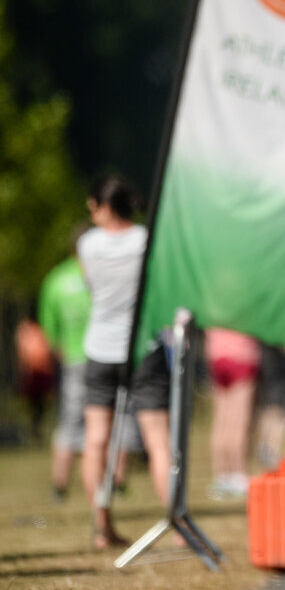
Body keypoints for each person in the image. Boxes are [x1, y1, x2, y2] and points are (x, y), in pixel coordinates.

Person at [78, 174, 171, 550]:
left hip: (99, 346)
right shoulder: (146, 241)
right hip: (141, 348)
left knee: (96, 440)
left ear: (103, 206)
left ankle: (103, 528)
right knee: (159, 441)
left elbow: (91, 287)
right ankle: (175, 522)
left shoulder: (88, 244)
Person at [39, 229, 144, 502]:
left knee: (73, 421)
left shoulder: (56, 279)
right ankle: (117, 482)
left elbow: (49, 328)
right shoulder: (108, 270)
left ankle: (59, 486)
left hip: (75, 357)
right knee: (121, 416)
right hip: (111, 352)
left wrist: (62, 352)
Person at [204, 327, 261, 498]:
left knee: (221, 421)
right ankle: (239, 475)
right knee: (239, 421)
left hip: (216, 355)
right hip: (242, 355)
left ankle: (221, 477)